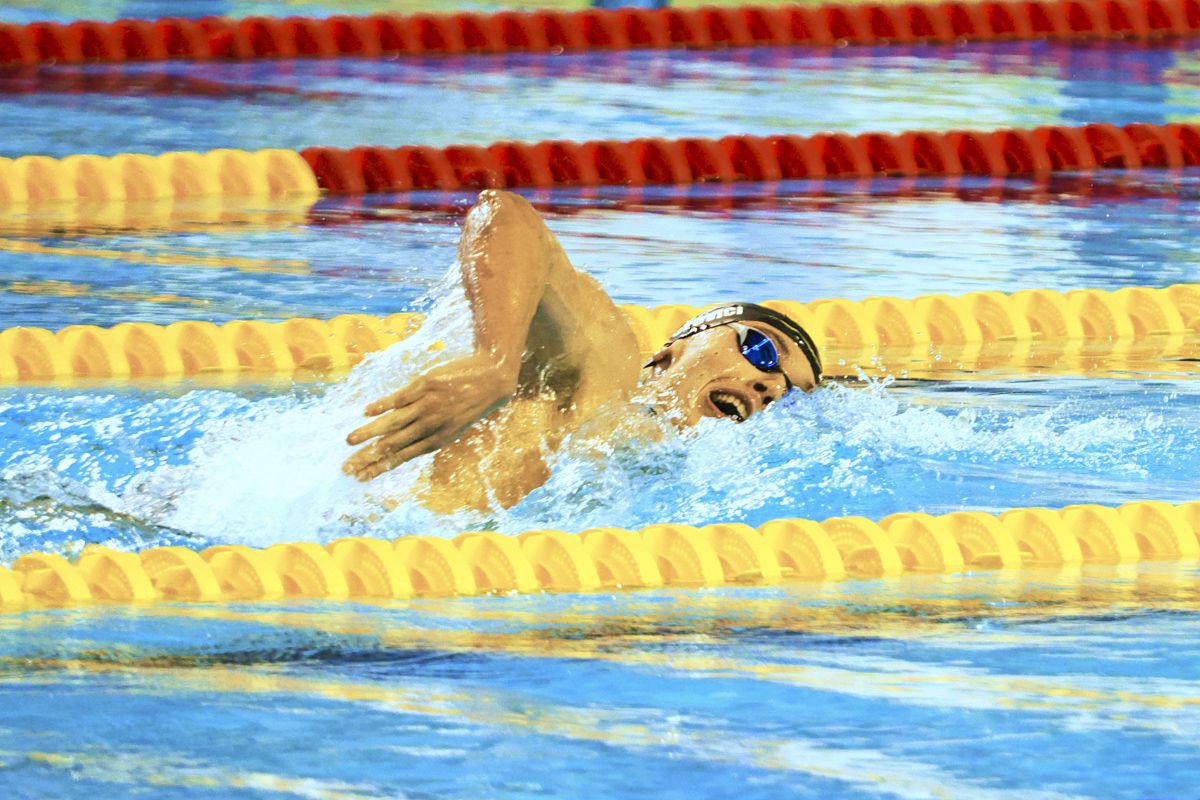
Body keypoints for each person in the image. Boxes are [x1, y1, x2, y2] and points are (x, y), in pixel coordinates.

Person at [342, 190, 822, 511]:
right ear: (674, 348)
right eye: (760, 350)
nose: (771, 384)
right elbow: (504, 214)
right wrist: (496, 360)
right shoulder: (603, 369)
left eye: (790, 393)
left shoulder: (688, 485)